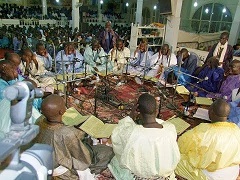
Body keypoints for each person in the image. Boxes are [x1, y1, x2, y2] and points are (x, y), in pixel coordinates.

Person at [35, 94, 114, 179]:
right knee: (107, 152)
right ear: (61, 112)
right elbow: (83, 159)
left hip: (45, 159)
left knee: (85, 140)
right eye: (64, 105)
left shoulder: (39, 121)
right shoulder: (67, 133)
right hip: (62, 170)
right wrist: (80, 135)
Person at [108, 93, 180, 179]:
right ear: (156, 111)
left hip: (139, 177)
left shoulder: (132, 133)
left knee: (116, 160)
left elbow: (117, 137)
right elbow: (160, 122)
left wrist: (131, 116)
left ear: (138, 111)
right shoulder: (170, 128)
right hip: (165, 177)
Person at [175, 99, 240, 180]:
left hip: (212, 176)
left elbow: (181, 145)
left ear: (211, 112)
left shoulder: (203, 131)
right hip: (233, 172)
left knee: (174, 158)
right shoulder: (236, 129)